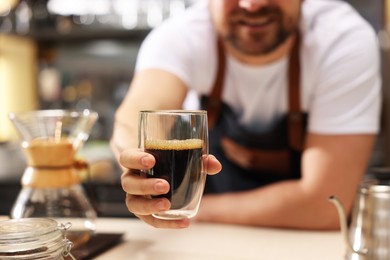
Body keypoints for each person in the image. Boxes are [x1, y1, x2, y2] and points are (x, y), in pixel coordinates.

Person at [111, 0, 381, 230]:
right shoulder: (181, 36)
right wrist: (136, 166)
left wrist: (189, 208)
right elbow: (134, 120)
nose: (252, 5)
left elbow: (326, 204)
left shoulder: (341, 38)